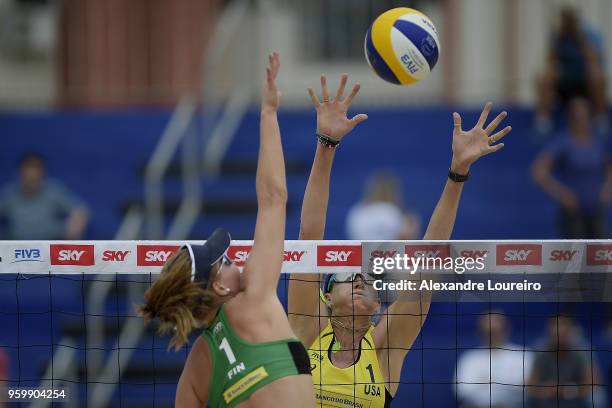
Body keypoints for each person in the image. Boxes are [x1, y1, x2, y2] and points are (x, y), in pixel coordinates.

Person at [289, 72, 512, 407]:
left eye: (363, 277)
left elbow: (429, 258)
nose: (359, 278)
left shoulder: (383, 348)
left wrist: (458, 173)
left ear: (379, 306)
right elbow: (309, 236)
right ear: (327, 298)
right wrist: (327, 144)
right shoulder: (307, 332)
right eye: (347, 276)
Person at [138, 53, 314, 408]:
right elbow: (274, 198)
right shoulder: (254, 301)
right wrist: (268, 113)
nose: (237, 262)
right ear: (218, 286)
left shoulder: (193, 373)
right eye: (227, 260)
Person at [531, 98, 612, 239]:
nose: (582, 121)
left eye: (585, 116)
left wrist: (607, 189)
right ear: (570, 118)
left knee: (601, 254)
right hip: (573, 212)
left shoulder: (597, 142)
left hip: (597, 209)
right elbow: (538, 171)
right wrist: (561, 194)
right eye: (577, 117)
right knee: (575, 256)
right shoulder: (563, 142)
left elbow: (608, 167)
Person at [535, 7, 608, 135]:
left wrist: (579, 40)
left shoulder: (590, 35)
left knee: (597, 74)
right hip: (564, 85)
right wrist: (558, 40)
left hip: (585, 85)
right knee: (544, 75)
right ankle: (543, 120)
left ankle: (600, 117)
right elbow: (549, 61)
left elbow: (596, 61)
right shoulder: (558, 36)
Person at [0, 152, 89, 240]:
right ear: (20, 172)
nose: (32, 175)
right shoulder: (9, 194)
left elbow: (80, 211)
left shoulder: (53, 191)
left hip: (50, 247)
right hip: (17, 247)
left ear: (43, 173)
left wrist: (72, 232)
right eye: (28, 170)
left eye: (36, 170)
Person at [455, 311, 533, 408]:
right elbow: (463, 391)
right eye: (488, 331)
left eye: (496, 330)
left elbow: (528, 391)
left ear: (506, 329)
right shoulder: (469, 358)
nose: (492, 335)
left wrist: (486, 386)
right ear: (479, 332)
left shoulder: (525, 356)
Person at [527, 315, 599, 408]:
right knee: (524, 398)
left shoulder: (583, 350)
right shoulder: (540, 349)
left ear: (571, 331)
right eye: (554, 326)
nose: (558, 330)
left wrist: (566, 390)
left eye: (563, 326)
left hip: (576, 397)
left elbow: (594, 384)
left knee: (597, 398)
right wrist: (544, 390)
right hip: (548, 398)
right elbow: (530, 385)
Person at [346, 171, 421, 240]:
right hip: (387, 252)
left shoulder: (357, 210)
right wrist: (411, 225)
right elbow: (404, 237)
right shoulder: (391, 210)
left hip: (359, 251)